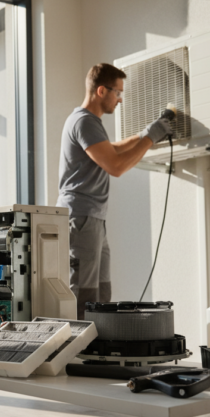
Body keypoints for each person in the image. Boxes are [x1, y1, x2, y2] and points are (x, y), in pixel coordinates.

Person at [57, 64, 172, 319]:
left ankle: (99, 348)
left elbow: (112, 149)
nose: (120, 100)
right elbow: (116, 166)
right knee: (85, 295)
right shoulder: (84, 121)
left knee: (101, 292)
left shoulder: (88, 122)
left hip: (93, 217)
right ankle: (78, 352)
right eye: (117, 93)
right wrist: (150, 139)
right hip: (82, 217)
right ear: (101, 90)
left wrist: (145, 134)